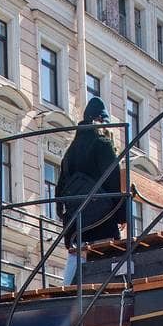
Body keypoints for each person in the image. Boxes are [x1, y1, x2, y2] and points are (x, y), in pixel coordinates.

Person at [57, 96, 127, 284]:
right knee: (111, 271)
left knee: (73, 274)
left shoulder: (69, 153)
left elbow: (60, 191)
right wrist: (122, 216)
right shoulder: (102, 145)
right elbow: (114, 183)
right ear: (98, 121)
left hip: (76, 227)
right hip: (102, 222)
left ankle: (65, 295)